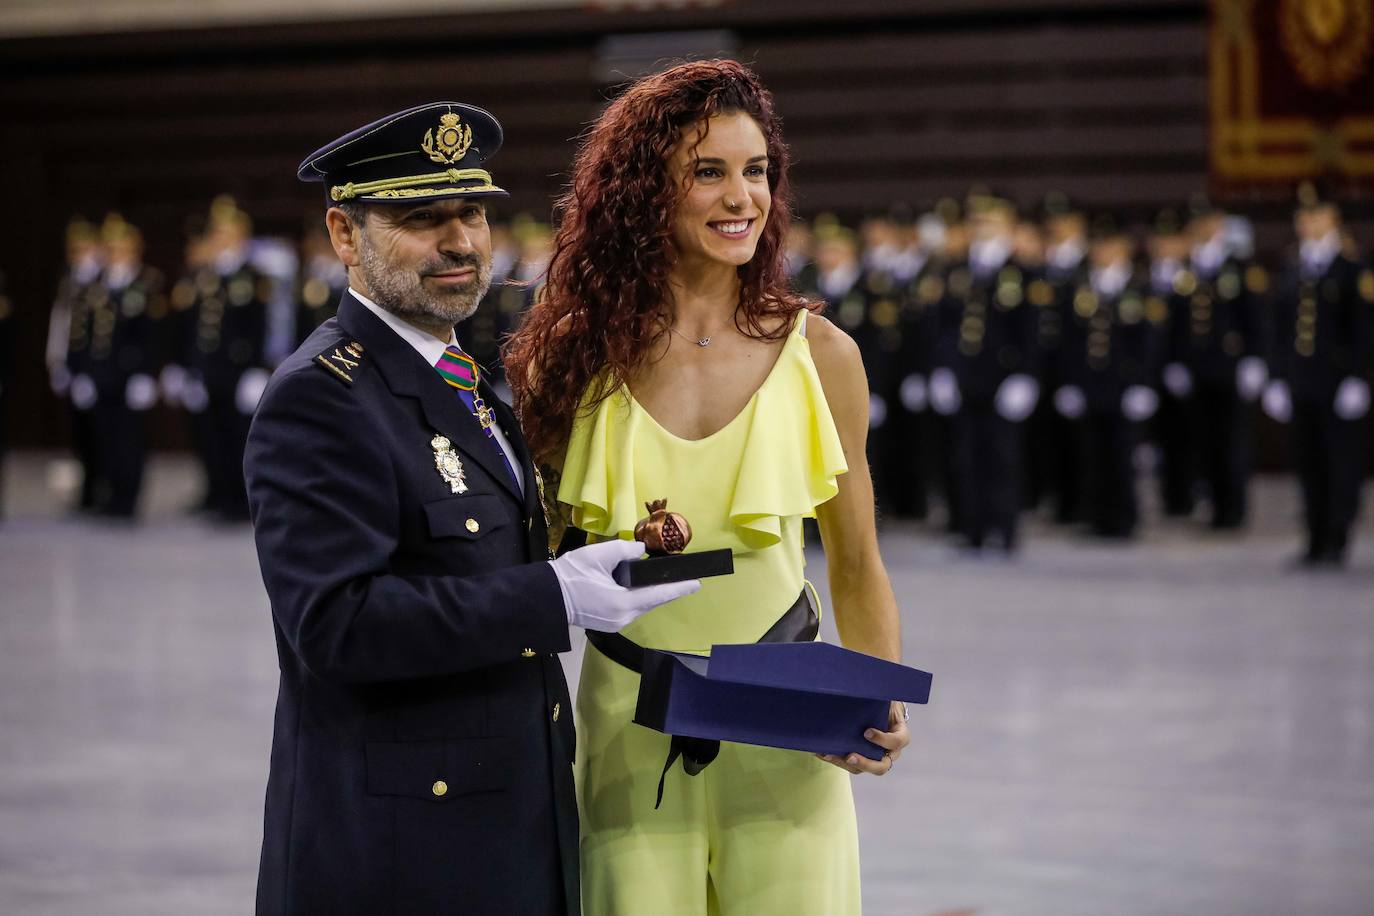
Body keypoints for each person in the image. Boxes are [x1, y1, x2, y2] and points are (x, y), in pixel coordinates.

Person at [243, 102, 697, 916]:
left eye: (473, 213)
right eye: (421, 219)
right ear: (345, 235)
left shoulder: (467, 379)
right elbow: (337, 625)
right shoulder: (324, 398)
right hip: (399, 849)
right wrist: (550, 596)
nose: (460, 242)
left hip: (502, 817)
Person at [504, 60, 911, 915]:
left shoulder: (824, 355)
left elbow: (857, 559)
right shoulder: (566, 359)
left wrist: (875, 696)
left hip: (788, 737)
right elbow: (524, 574)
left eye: (756, 171)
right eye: (709, 172)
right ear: (645, 191)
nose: (742, 198)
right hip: (624, 734)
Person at [1262, 182, 1373, 566]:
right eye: (1302, 216)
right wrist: (1275, 376)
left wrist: (1360, 377)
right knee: (1308, 461)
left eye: (1316, 214)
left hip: (1338, 381)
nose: (1308, 222)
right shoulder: (1292, 267)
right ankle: (1314, 536)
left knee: (1339, 461)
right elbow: (1278, 327)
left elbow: (1363, 328)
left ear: (1333, 218)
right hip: (1301, 380)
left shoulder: (1352, 268)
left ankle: (1336, 537)